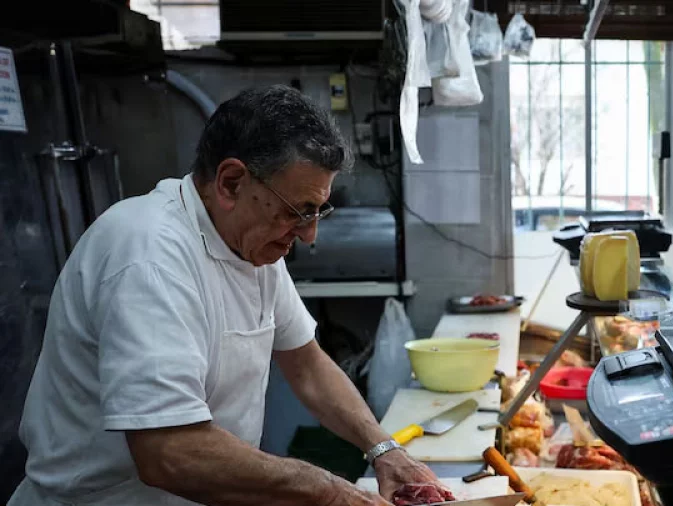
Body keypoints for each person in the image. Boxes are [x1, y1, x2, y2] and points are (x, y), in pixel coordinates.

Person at [9, 85, 437, 506]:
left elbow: (306, 364)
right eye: (297, 211)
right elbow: (167, 451)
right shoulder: (148, 254)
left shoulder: (254, 248)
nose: (309, 235)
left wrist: (384, 450)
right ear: (231, 183)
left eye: (317, 211)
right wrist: (329, 490)